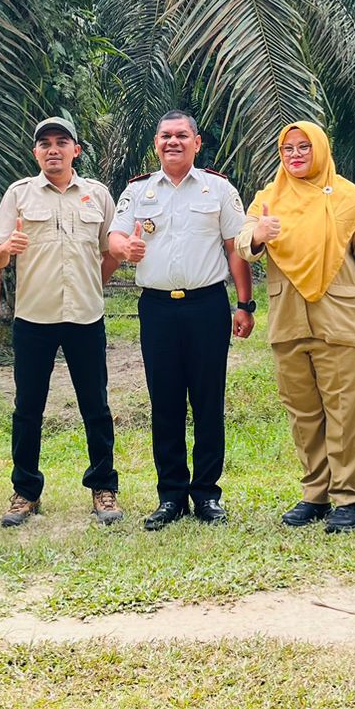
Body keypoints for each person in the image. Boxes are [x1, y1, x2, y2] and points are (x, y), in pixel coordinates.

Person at [239, 122, 355, 533]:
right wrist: (257, 234)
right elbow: (241, 243)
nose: (295, 155)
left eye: (304, 147)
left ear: (321, 149)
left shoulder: (353, 200)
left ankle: (348, 500)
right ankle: (315, 494)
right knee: (303, 414)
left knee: (345, 414)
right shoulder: (268, 199)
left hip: (341, 321)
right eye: (287, 148)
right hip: (288, 321)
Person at [108, 111, 254, 529]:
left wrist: (245, 305)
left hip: (206, 306)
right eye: (166, 136)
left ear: (197, 142)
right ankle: (170, 495)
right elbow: (116, 235)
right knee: (165, 403)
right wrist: (124, 250)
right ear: (156, 143)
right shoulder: (139, 191)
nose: (173, 142)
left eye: (181, 135)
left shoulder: (219, 189)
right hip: (157, 309)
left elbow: (234, 248)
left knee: (208, 402)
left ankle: (207, 494)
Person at [0, 116, 121, 527]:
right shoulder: (19, 194)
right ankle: (25, 492)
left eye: (62, 142)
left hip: (85, 316)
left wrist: (91, 285)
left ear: (76, 150)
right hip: (34, 317)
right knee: (27, 408)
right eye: (44, 143)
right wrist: (7, 247)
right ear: (36, 153)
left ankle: (104, 488)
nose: (53, 149)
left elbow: (111, 250)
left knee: (95, 405)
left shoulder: (96, 195)